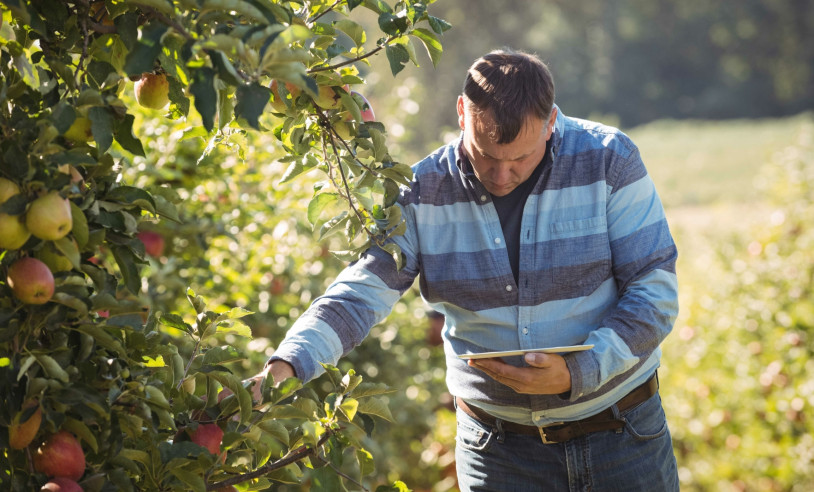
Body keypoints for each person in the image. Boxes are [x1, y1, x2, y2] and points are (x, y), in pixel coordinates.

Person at [257, 49, 680, 491]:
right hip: (499, 455)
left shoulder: (608, 160)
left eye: (520, 158)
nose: (500, 175)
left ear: (551, 121)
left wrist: (581, 370)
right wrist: (287, 366)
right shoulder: (422, 193)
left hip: (621, 438)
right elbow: (359, 294)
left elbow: (655, 290)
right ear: (462, 112)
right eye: (486, 156)